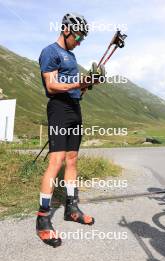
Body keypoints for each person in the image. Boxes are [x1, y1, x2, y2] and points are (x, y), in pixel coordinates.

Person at [36, 13, 96, 248]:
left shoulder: (71, 55)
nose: (80, 41)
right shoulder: (50, 51)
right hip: (59, 108)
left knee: (72, 159)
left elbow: (75, 90)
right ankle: (42, 219)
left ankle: (71, 207)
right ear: (67, 30)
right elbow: (51, 85)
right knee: (56, 161)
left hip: (74, 107)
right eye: (79, 36)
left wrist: (86, 86)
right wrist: (77, 82)